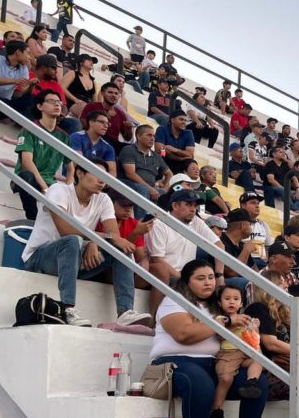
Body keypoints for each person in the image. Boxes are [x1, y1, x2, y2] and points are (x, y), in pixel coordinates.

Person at [149, 260, 269, 418]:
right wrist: (226, 322)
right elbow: (184, 335)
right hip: (175, 362)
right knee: (200, 382)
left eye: (211, 277)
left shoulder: (218, 307)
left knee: (257, 382)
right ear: (187, 281)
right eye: (200, 278)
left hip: (215, 362)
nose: (208, 283)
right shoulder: (174, 301)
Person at [21, 158, 151, 328]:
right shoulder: (59, 190)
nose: (101, 180)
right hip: (40, 258)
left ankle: (125, 311)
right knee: (72, 241)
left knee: (120, 249)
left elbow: (115, 236)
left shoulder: (103, 199)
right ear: (79, 173)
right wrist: (96, 239)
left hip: (73, 261)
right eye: (96, 174)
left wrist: (94, 243)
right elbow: (65, 231)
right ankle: (67, 308)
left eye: (105, 176)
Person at [145, 189, 222, 313]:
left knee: (223, 289)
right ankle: (154, 319)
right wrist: (184, 278)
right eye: (188, 205)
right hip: (167, 273)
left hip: (187, 275)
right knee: (200, 284)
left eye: (195, 206)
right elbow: (157, 260)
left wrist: (219, 275)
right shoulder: (159, 224)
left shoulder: (195, 221)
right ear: (175, 206)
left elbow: (219, 245)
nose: (193, 209)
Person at [207, 283, 264, 418]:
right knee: (226, 379)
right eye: (227, 298)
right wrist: (232, 323)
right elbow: (218, 334)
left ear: (241, 303)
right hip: (228, 354)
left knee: (259, 360)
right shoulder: (220, 318)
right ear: (220, 302)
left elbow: (254, 337)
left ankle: (251, 382)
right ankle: (217, 410)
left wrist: (254, 327)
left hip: (245, 353)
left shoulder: (245, 318)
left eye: (236, 299)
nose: (231, 302)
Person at [12, 89, 73, 220]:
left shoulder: (64, 136)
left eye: (59, 102)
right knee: (26, 176)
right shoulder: (30, 129)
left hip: (51, 183)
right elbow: (26, 162)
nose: (57, 105)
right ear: (40, 106)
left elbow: (71, 168)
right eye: (51, 101)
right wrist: (45, 189)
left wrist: (69, 191)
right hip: (29, 181)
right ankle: (32, 219)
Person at [69, 110, 117, 176]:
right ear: (91, 122)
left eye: (107, 124)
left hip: (94, 182)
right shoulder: (76, 137)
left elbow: (112, 172)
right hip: (71, 178)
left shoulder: (109, 148)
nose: (106, 126)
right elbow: (77, 162)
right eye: (102, 122)